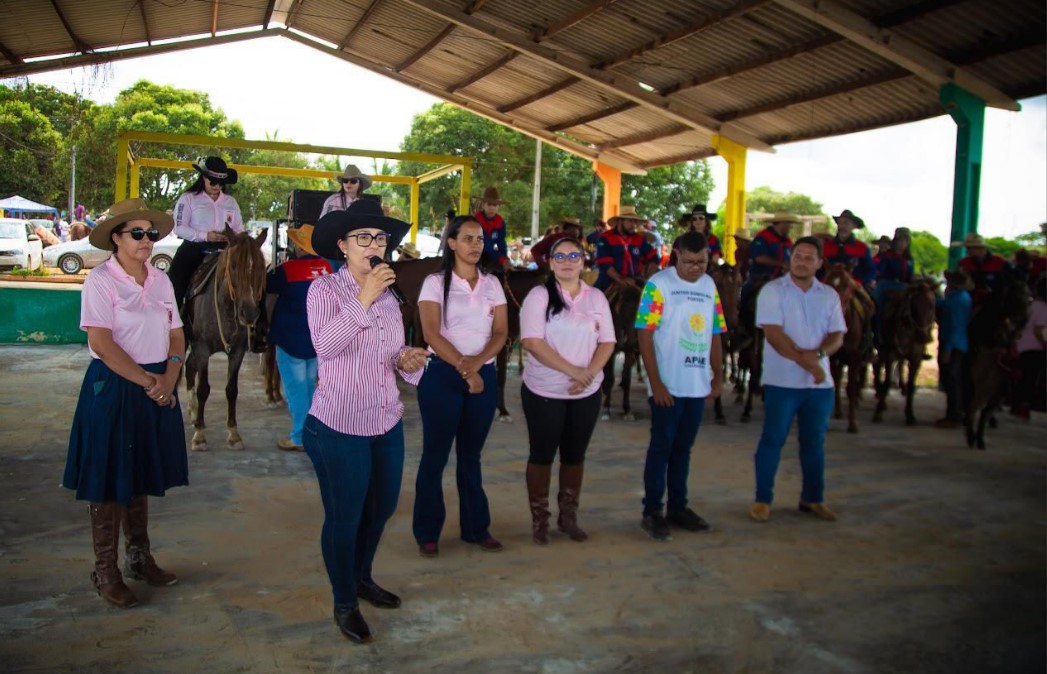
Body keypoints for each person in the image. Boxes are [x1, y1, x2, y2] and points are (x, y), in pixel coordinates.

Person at [303, 200, 429, 644]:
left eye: (381, 239)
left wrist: (409, 360)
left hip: (385, 421)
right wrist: (365, 296)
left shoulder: (392, 296)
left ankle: (361, 577)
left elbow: (391, 354)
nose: (375, 246)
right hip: (338, 426)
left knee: (380, 510)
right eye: (364, 239)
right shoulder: (324, 291)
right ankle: (344, 602)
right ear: (342, 246)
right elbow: (327, 347)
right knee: (345, 517)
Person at [62, 198, 188, 609]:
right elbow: (100, 342)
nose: (147, 240)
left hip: (156, 382)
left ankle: (139, 557)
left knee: (140, 471)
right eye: (137, 233)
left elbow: (176, 336)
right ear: (116, 238)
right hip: (115, 384)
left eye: (151, 233)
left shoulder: (161, 280)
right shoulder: (101, 281)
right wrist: (147, 380)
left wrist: (169, 378)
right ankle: (106, 571)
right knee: (108, 478)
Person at [413, 215, 509, 557]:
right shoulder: (435, 282)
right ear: (451, 243)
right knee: (435, 456)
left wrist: (478, 363)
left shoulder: (492, 284)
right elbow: (431, 334)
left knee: (471, 456)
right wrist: (466, 370)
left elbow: (501, 333)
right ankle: (427, 532)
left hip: (482, 374)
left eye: (480, 239)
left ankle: (476, 528)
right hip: (443, 375)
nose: (476, 245)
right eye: (467, 238)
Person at [519, 236, 616, 544]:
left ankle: (568, 517)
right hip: (545, 391)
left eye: (574, 255)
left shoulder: (596, 298)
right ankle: (540, 520)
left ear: (583, 260)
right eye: (559, 257)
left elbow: (608, 341)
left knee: (575, 456)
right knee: (542, 454)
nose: (567, 261)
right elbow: (532, 342)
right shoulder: (539, 296)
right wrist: (575, 371)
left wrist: (590, 373)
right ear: (550, 262)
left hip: (585, 392)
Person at [635, 231, 726, 540]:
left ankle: (678, 507)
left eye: (702, 262)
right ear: (676, 254)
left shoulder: (709, 286)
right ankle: (652, 511)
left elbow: (714, 331)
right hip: (668, 385)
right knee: (661, 448)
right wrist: (656, 383)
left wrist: (718, 373)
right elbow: (645, 335)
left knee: (683, 450)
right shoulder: (659, 285)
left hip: (697, 384)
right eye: (689, 261)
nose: (696, 268)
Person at [749, 236, 846, 524]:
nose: (801, 262)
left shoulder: (829, 295)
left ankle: (812, 498)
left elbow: (837, 334)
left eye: (808, 258)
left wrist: (817, 357)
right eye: (797, 256)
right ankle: (762, 499)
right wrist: (813, 365)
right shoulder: (772, 290)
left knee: (814, 443)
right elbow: (775, 335)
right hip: (782, 382)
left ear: (819, 263)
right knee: (772, 439)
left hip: (819, 387)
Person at [267, 224, 332, 451]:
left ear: (300, 247)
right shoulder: (328, 267)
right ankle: (314, 432)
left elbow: (264, 285)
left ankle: (298, 437)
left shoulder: (286, 270)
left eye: (296, 243)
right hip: (318, 340)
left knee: (296, 391)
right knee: (310, 389)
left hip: (290, 339)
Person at [168, 156, 244, 312]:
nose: (217, 187)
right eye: (213, 182)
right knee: (175, 279)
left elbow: (238, 228)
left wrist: (234, 238)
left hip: (225, 248)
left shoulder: (231, 202)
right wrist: (205, 236)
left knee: (249, 277)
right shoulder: (188, 199)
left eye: (221, 183)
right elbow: (179, 227)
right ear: (203, 178)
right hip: (195, 247)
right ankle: (172, 320)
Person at [934, 269, 973, 429]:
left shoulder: (958, 301)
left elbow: (956, 327)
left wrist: (948, 349)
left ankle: (954, 415)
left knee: (952, 380)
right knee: (951, 380)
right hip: (955, 343)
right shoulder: (958, 297)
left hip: (953, 344)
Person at [739, 211, 797, 316]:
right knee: (746, 291)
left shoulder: (788, 241)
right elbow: (759, 258)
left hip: (784, 278)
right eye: (788, 224)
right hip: (761, 277)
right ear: (781, 223)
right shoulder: (763, 237)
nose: (790, 227)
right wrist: (782, 264)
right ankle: (741, 321)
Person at [593, 206, 658, 291]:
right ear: (620, 221)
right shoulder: (605, 238)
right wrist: (620, 278)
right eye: (630, 221)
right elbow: (605, 263)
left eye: (635, 222)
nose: (634, 225)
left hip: (633, 280)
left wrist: (647, 278)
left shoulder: (640, 239)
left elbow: (654, 257)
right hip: (608, 281)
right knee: (594, 299)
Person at [1012, 276, 1047, 419]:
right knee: (1030, 379)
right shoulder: (1044, 308)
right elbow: (1039, 329)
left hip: (1022, 344)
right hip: (1034, 347)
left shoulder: (1031, 305)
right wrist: (1045, 344)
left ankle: (1017, 404)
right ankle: (1023, 406)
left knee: (1023, 377)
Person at [954, 232, 1014, 303]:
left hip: (996, 303)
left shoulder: (1000, 263)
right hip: (970, 302)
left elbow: (1012, 284)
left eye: (970, 248)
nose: (967, 250)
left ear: (981, 248)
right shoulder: (963, 263)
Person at [821, 210, 876, 287]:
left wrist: (859, 281)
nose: (842, 226)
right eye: (840, 223)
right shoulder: (825, 246)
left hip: (853, 287)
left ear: (854, 226)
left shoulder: (861, 247)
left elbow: (871, 270)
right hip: (827, 286)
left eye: (846, 223)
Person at [473, 187, 512, 272]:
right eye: (489, 204)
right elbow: (485, 244)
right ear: (483, 205)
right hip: (474, 253)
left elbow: (501, 242)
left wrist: (505, 259)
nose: (492, 208)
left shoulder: (500, 222)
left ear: (498, 206)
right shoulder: (476, 220)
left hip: (490, 255)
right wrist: (501, 259)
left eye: (495, 205)